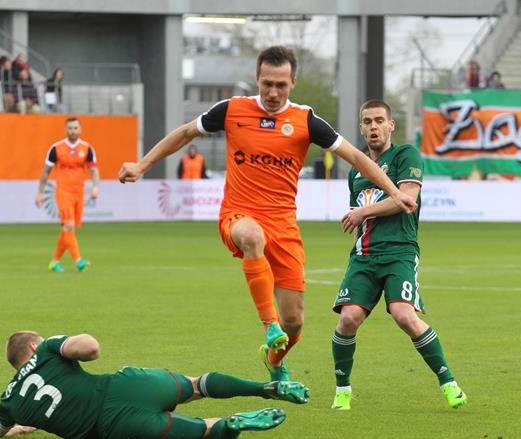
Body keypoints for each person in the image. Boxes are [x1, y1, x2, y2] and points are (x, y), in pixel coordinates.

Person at [119, 46, 416, 381]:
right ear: (257, 79)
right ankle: (268, 325)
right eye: (267, 84)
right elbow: (186, 133)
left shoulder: (306, 120)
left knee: (295, 323)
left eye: (281, 85)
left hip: (284, 227)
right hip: (238, 214)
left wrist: (394, 191)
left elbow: (358, 158)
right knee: (252, 237)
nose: (273, 92)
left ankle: (274, 360)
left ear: (293, 82)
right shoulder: (231, 110)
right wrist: (142, 165)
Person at [329, 99, 467, 411]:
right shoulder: (356, 171)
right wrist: (359, 228)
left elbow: (407, 200)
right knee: (348, 319)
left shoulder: (406, 155)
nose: (373, 127)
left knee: (404, 315)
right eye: (368, 121)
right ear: (361, 128)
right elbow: (359, 216)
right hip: (364, 256)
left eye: (380, 120)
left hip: (399, 252)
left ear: (391, 125)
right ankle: (342, 390)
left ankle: (449, 383)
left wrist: (362, 212)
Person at [0, 331, 309, 439]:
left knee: (206, 431)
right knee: (197, 385)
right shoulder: (47, 349)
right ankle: (264, 387)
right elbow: (91, 347)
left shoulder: (9, 402)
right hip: (126, 386)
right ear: (33, 346)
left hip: (112, 426)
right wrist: (73, 346)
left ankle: (230, 424)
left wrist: (14, 427)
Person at [36, 117, 100, 273]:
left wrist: (95, 187)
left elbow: (94, 170)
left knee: (68, 229)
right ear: (65, 130)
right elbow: (46, 172)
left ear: (80, 129)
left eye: (75, 128)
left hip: (79, 192)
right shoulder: (56, 148)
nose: (73, 131)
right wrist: (40, 192)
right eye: (70, 128)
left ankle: (54, 262)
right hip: (63, 192)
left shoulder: (87, 148)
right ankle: (78, 261)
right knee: (69, 225)